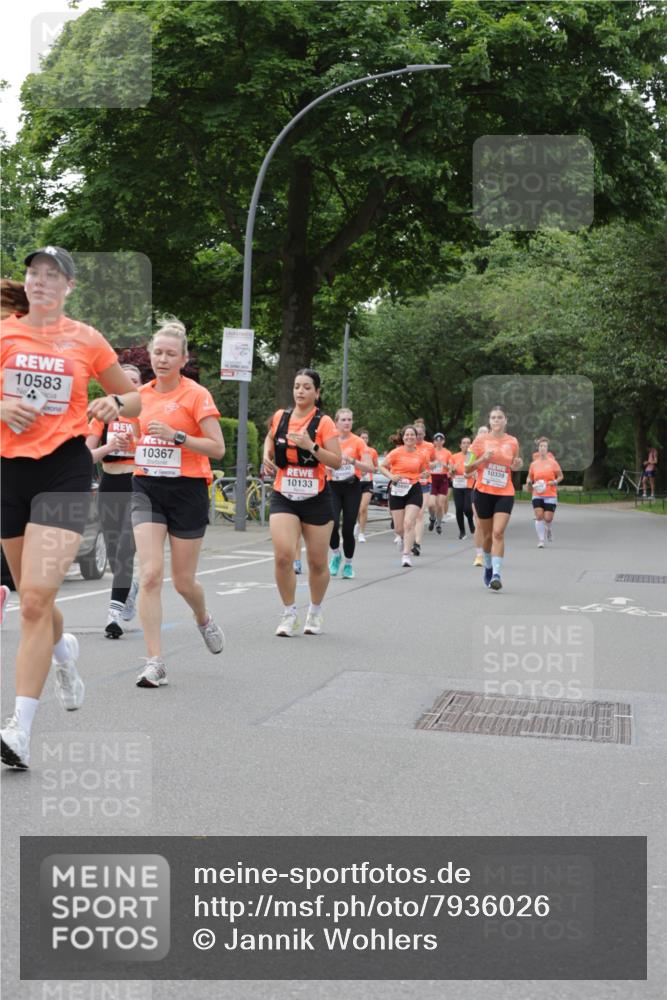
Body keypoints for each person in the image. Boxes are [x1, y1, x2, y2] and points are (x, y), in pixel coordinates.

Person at [1, 246, 141, 768]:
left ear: (68, 288)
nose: (41, 281)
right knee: (31, 596)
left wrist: (112, 402)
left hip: (64, 468)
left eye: (52, 275)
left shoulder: (86, 339)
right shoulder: (4, 333)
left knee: (35, 600)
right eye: (35, 273)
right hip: (8, 471)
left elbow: (135, 399)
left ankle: (19, 728)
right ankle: (63, 654)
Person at [131, 317, 225, 688]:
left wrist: (178, 436)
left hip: (187, 490)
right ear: (150, 356)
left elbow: (217, 448)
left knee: (184, 582)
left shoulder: (196, 395)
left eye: (171, 353)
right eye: (157, 352)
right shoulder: (141, 397)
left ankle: (202, 618)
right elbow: (141, 440)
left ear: (184, 358)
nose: (163, 359)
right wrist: (130, 447)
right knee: (150, 574)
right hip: (147, 487)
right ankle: (155, 661)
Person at [263, 368, 341, 636]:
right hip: (284, 494)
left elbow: (336, 460)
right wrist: (266, 454)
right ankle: (289, 613)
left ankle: (315, 611)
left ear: (317, 393)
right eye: (297, 386)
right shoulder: (280, 417)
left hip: (316, 497)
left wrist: (311, 446)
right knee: (283, 555)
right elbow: (270, 438)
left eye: (307, 387)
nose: (300, 391)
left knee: (317, 563)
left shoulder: (324, 422)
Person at [86, 364, 142, 637]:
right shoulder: (102, 417)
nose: (128, 385)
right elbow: (86, 456)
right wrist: (109, 447)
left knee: (124, 548)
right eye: (125, 380)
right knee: (111, 550)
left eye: (134, 382)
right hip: (110, 484)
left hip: (137, 485)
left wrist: (136, 442)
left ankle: (114, 615)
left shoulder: (144, 414)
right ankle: (128, 588)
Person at [467, 407, 522, 591]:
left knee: (498, 532)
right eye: (493, 418)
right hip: (483, 492)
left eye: (500, 418)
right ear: (489, 421)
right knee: (487, 535)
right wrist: (482, 458)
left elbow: (514, 465)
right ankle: (488, 567)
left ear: (505, 420)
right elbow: (467, 468)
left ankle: (497, 574)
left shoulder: (512, 442)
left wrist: (517, 465)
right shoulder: (480, 441)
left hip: (505, 492)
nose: (496, 420)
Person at [327, 409, 374, 579]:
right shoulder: (329, 440)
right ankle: (336, 554)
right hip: (332, 485)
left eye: (350, 420)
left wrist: (352, 461)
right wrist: (326, 465)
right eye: (343, 420)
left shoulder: (359, 442)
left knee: (347, 528)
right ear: (336, 422)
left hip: (352, 486)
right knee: (331, 524)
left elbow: (370, 467)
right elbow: (319, 459)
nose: (347, 422)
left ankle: (348, 564)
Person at [379, 425, 430, 568]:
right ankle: (401, 537)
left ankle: (406, 555)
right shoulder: (395, 453)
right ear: (403, 437)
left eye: (412, 435)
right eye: (406, 435)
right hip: (397, 490)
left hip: (414, 489)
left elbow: (425, 470)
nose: (409, 437)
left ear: (416, 437)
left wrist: (425, 474)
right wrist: (391, 476)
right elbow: (382, 466)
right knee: (399, 528)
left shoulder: (421, 454)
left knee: (409, 523)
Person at [526, 437, 564, 546]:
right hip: (537, 494)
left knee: (548, 518)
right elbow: (529, 478)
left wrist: (555, 482)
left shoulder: (553, 463)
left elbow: (561, 476)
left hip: (550, 494)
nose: (542, 448)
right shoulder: (534, 464)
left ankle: (549, 528)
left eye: (544, 446)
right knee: (538, 516)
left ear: (547, 449)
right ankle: (541, 540)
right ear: (538, 448)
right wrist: (529, 482)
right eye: (540, 446)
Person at [413, 422, 435, 555]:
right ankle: (407, 537)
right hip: (410, 483)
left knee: (420, 513)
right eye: (417, 434)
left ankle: (417, 543)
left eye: (421, 434)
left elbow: (432, 460)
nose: (418, 437)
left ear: (424, 434)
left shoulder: (430, 446)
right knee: (410, 516)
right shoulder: (408, 445)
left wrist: (430, 466)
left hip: (425, 482)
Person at [355, 427, 378, 543]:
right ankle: (357, 524)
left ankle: (362, 533)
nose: (364, 439)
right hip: (355, 482)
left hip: (367, 483)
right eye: (362, 437)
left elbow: (376, 467)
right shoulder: (354, 450)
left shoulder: (372, 451)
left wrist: (369, 469)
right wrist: (359, 471)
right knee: (356, 509)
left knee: (363, 508)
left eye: (366, 438)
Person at [450, 435, 476, 539]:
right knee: (459, 508)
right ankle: (462, 531)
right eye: (464, 443)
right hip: (457, 485)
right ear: (460, 445)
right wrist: (452, 470)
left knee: (468, 508)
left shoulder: (472, 456)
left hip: (469, 484)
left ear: (471, 445)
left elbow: (476, 470)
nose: (466, 445)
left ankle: (470, 520)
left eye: (468, 443)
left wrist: (468, 475)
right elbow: (451, 471)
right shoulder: (454, 456)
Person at [471, 424, 488, 567]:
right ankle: (478, 555)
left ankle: (489, 552)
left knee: (491, 526)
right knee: (479, 523)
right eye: (480, 432)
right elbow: (465, 470)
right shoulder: (473, 450)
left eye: (485, 432)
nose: (482, 434)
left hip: (494, 491)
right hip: (477, 489)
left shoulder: (495, 449)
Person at [431, 432, 453, 534]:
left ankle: (438, 524)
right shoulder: (430, 451)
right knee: (432, 503)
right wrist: (433, 464)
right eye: (436, 440)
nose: (438, 442)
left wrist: (445, 465)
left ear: (443, 441)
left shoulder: (447, 452)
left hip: (443, 478)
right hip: (432, 478)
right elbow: (425, 463)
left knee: (440, 504)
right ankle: (432, 517)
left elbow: (451, 468)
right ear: (434, 441)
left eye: (441, 440)